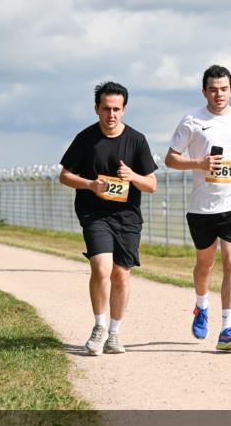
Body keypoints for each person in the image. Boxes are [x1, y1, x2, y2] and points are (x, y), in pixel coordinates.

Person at [164, 64, 231, 351]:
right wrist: (199, 163)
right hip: (203, 206)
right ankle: (201, 306)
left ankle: (228, 328)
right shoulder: (192, 121)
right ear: (204, 91)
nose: (219, 94)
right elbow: (171, 159)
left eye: (223, 89)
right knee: (205, 265)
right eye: (213, 89)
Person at [59, 82, 158, 356]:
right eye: (106, 109)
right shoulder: (85, 138)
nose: (111, 114)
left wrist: (133, 177)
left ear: (124, 110)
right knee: (101, 268)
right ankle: (99, 327)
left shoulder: (137, 140)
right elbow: (64, 175)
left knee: (120, 275)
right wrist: (91, 185)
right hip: (94, 214)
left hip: (127, 217)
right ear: (96, 109)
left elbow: (151, 185)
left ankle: (115, 333)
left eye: (116, 109)